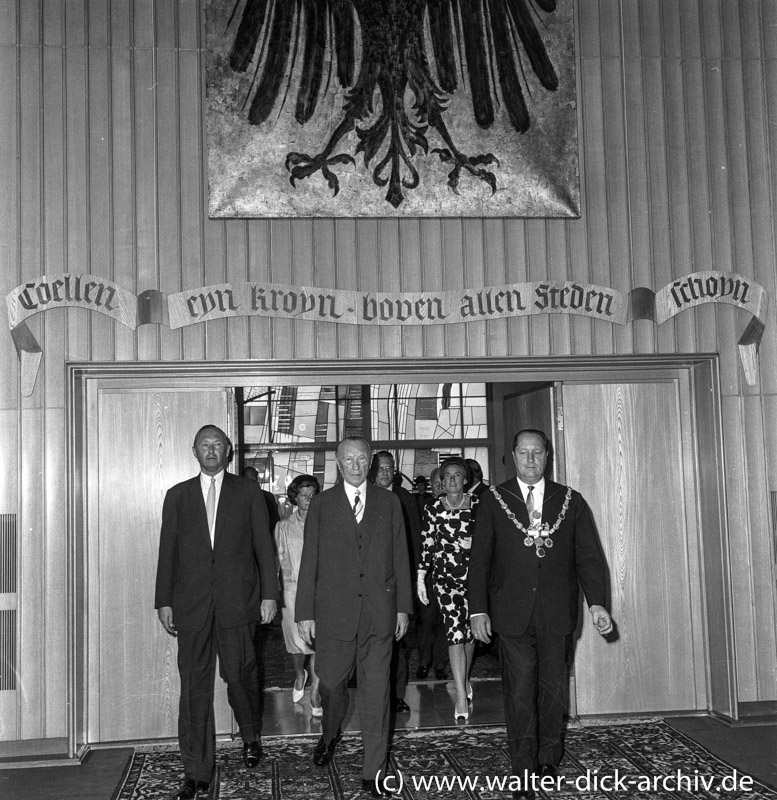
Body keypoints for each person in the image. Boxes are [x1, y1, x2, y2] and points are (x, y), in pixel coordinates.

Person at [468, 429, 613, 800]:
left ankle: (549, 758)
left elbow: (590, 558)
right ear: (513, 456)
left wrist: (596, 603)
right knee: (519, 691)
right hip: (511, 613)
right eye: (523, 452)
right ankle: (523, 768)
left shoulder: (571, 501)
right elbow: (479, 560)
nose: (530, 459)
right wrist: (478, 610)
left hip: (558, 613)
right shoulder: (493, 500)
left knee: (552, 689)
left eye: (537, 452)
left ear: (546, 456)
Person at [155, 425, 279, 800]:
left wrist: (269, 595)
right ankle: (196, 770)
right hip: (191, 607)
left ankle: (250, 734)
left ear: (229, 450)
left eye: (217, 445)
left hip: (238, 603)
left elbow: (263, 547)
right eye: (204, 446)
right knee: (193, 688)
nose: (211, 451)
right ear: (194, 451)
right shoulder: (177, 496)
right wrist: (164, 600)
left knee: (241, 676)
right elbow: (167, 553)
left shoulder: (248, 492)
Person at [295, 437, 412, 797]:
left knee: (377, 694)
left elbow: (400, 557)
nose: (357, 465)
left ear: (371, 463)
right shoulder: (322, 504)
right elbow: (309, 560)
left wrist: (403, 606)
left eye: (363, 459)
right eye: (350, 459)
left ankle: (373, 770)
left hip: (379, 614)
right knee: (330, 684)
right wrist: (304, 612)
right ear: (338, 463)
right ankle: (330, 733)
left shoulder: (389, 502)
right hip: (334, 615)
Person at [417, 456, 479, 722]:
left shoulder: (478, 505)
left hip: (475, 578)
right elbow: (427, 543)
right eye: (447, 476)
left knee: (470, 633)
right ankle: (461, 698)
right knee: (455, 632)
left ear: (465, 479)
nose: (452, 480)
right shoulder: (433, 508)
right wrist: (421, 577)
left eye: (457, 475)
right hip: (445, 580)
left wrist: (473, 543)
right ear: (441, 481)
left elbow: (491, 539)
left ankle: (463, 679)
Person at [369, 450, 422, 714]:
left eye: (389, 468)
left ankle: (397, 695)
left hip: (398, 582)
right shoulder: (363, 496)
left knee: (399, 642)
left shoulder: (404, 499)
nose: (385, 473)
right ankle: (375, 694)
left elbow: (414, 541)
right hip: (369, 583)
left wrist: (413, 580)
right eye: (380, 468)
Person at [275, 475, 323, 717]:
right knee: (296, 644)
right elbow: (277, 560)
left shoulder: (325, 523)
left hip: (319, 591)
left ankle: (315, 693)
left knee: (316, 644)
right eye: (304, 495)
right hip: (292, 591)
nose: (309, 499)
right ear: (295, 497)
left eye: (313, 494)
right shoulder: (283, 526)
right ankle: (298, 674)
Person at [414, 465, 449, 681]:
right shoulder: (422, 506)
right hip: (426, 576)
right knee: (426, 621)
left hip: (450, 576)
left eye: (442, 482)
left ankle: (440, 664)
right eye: (436, 483)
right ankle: (424, 663)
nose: (439, 487)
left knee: (446, 622)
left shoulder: (457, 506)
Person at [241, 465, 281, 532]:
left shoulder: (268, 497)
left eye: (253, 478)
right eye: (248, 479)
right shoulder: (237, 497)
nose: (251, 482)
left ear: (257, 480)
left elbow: (274, 521)